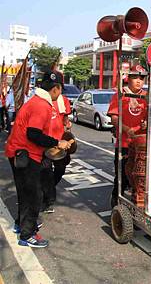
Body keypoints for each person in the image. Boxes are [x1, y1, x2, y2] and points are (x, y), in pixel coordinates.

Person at [5, 72, 71, 248]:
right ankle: (28, 234)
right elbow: (33, 134)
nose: (60, 93)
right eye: (60, 89)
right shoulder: (41, 105)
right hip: (25, 154)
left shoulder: (35, 101)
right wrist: (58, 142)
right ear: (56, 89)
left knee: (25, 192)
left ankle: (21, 224)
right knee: (34, 195)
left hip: (19, 152)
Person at [107, 64, 149, 209]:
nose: (139, 81)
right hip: (124, 144)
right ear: (128, 79)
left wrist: (147, 123)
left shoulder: (146, 96)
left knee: (139, 177)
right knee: (122, 177)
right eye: (135, 77)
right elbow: (113, 118)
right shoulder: (120, 95)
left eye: (141, 78)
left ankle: (136, 206)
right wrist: (126, 129)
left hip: (142, 145)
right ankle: (115, 202)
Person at [40, 74, 72, 214]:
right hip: (45, 143)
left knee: (60, 170)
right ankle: (48, 200)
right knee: (46, 172)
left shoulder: (63, 100)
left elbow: (65, 118)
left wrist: (67, 124)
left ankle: (47, 189)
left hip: (60, 143)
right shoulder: (41, 101)